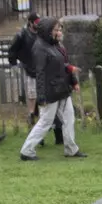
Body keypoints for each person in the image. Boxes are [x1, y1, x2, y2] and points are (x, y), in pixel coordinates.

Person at [20, 18, 84, 161]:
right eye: (56, 30)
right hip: (51, 91)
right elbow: (40, 73)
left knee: (69, 118)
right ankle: (27, 151)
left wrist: (72, 77)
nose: (59, 32)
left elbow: (63, 65)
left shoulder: (55, 45)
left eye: (59, 29)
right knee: (46, 122)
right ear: (48, 31)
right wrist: (41, 97)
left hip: (62, 89)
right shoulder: (40, 48)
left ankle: (71, 149)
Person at [7, 11, 43, 134]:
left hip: (41, 68)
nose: (38, 25)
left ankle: (40, 116)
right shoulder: (22, 35)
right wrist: (14, 64)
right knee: (31, 93)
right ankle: (31, 115)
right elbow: (12, 50)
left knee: (41, 94)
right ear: (30, 22)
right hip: (29, 68)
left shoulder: (41, 34)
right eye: (36, 22)